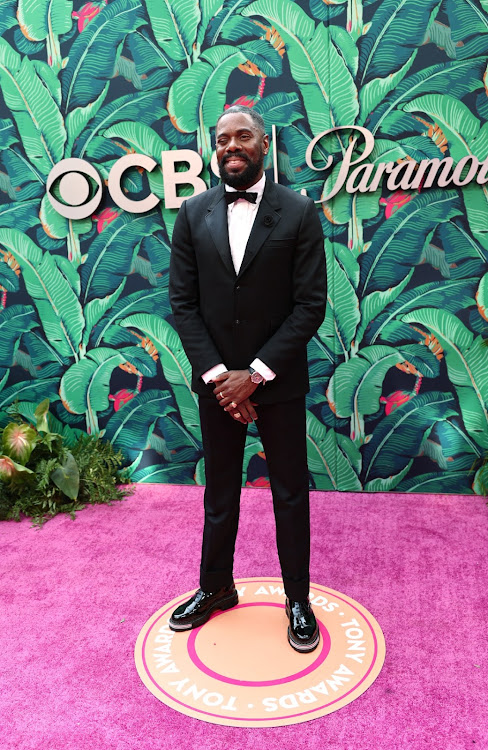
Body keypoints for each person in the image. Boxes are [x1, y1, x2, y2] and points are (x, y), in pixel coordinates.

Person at [168, 105, 327, 652]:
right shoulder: (192, 214)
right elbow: (182, 304)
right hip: (216, 384)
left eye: (242, 137)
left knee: (289, 494)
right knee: (219, 493)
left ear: (264, 144)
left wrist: (254, 376)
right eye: (221, 139)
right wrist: (221, 377)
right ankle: (215, 588)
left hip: (277, 383)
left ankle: (298, 599)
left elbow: (310, 307)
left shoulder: (300, 212)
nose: (230, 146)